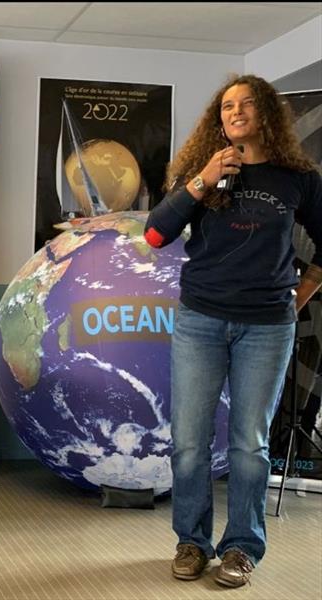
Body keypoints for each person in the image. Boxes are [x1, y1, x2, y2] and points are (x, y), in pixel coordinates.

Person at [144, 74, 322, 588]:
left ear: (266, 113)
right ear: (218, 120)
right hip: (201, 320)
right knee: (191, 443)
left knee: (249, 445)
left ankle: (242, 548)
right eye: (226, 107)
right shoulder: (204, 170)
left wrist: (301, 293)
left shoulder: (298, 178)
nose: (235, 112)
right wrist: (203, 179)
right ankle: (191, 543)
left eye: (246, 104)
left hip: (267, 327)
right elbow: (156, 235)